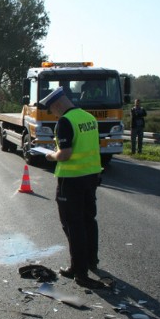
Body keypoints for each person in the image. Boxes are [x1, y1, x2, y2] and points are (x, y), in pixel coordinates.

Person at [40, 87, 105, 289]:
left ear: (58, 104)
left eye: (52, 109)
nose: (53, 113)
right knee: (88, 221)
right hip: (91, 176)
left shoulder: (65, 122)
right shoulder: (88, 117)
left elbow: (65, 154)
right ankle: (90, 261)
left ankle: (79, 272)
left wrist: (50, 155)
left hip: (71, 180)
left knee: (72, 225)